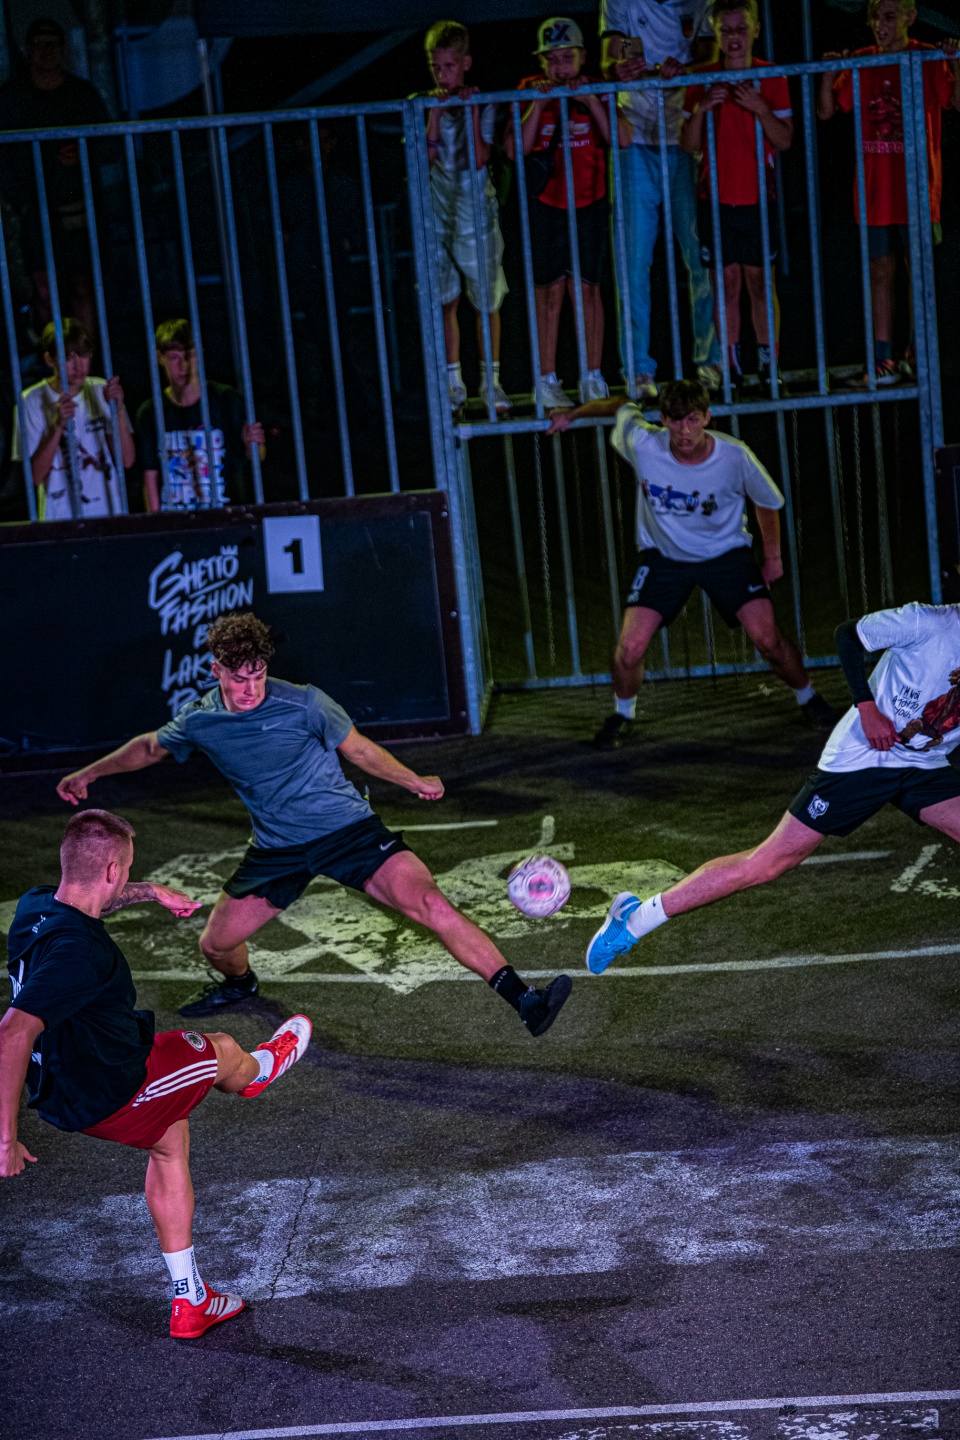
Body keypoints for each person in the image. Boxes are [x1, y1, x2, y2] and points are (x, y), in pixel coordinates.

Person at [55, 612, 572, 1034]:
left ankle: (524, 999)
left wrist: (412, 780)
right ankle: (241, 985)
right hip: (277, 850)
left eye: (258, 675)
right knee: (215, 945)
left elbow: (360, 750)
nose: (251, 688)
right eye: (239, 678)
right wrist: (90, 772)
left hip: (348, 832)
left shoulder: (305, 702)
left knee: (430, 903)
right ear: (216, 671)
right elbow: (150, 747)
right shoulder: (201, 721)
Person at [0, 808, 312, 1338]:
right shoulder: (81, 954)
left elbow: (95, 898)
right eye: (127, 870)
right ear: (112, 870)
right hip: (117, 1088)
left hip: (59, 1087)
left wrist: (149, 891)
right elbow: (11, 1033)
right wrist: (5, 1139)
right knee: (219, 1048)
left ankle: (191, 1300)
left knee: (169, 1142)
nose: (126, 877)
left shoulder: (36, 905)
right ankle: (258, 1070)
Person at [585, 600, 960, 973]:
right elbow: (848, 634)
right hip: (865, 757)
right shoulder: (927, 622)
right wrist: (867, 707)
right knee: (767, 863)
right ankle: (634, 921)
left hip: (924, 762)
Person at [549, 377, 837, 747]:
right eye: (676, 420)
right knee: (629, 649)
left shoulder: (734, 455)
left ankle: (808, 698)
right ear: (663, 420)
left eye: (692, 420)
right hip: (665, 557)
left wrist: (773, 558)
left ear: (707, 417)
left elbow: (767, 501)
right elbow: (620, 404)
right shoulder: (643, 443)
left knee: (768, 641)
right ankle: (622, 714)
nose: (685, 430)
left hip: (726, 555)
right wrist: (572, 415)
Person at [817, 0, 959, 387]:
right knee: (880, 271)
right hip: (875, 189)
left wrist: (955, 63)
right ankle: (883, 359)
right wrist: (828, 76)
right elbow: (827, 110)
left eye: (889, 17)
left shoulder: (926, 56)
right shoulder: (863, 59)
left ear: (910, 18)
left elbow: (955, 101)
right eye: (875, 17)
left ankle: (917, 352)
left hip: (918, 188)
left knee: (919, 271)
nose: (880, 25)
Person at [506, 17, 630, 410]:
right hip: (546, 203)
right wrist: (539, 104)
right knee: (549, 292)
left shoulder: (596, 87)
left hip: (590, 201)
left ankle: (592, 376)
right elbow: (513, 149)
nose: (560, 67)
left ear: (582, 56)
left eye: (567, 58)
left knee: (588, 289)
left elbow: (621, 138)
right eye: (552, 59)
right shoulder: (529, 89)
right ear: (541, 62)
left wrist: (591, 100)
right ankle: (546, 379)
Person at [599, 0, 721, 400]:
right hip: (635, 133)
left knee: (702, 256)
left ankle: (712, 361)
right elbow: (607, 58)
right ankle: (638, 370)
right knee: (633, 262)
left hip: (685, 132)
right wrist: (616, 70)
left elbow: (713, 55)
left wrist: (683, 70)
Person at [681, 0, 793, 396]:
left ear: (756, 30)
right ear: (715, 32)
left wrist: (760, 108)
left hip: (760, 197)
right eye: (726, 30)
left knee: (760, 284)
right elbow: (688, 144)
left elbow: (784, 139)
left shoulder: (771, 76)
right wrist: (701, 110)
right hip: (714, 199)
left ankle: (769, 365)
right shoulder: (702, 79)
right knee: (725, 284)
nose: (733, 38)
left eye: (740, 29)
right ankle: (730, 367)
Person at [417, 20, 511, 413]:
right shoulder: (423, 102)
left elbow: (480, 156)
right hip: (438, 209)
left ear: (466, 63)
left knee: (486, 301)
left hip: (475, 210)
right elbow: (423, 159)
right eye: (436, 67)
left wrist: (469, 112)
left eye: (449, 66)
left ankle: (491, 382)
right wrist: (436, 114)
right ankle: (453, 383)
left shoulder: (483, 101)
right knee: (446, 299)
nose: (442, 75)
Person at [0, 18, 111, 337]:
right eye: (39, 44)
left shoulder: (81, 94)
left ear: (63, 50)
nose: (47, 51)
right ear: (27, 50)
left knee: (82, 288)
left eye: (53, 44)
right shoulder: (10, 99)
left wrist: (83, 153)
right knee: (44, 292)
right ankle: (54, 361)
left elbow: (111, 145)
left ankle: (85, 360)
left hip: (78, 209)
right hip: (32, 211)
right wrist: (20, 202)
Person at [11, 317, 134, 520]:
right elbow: (34, 477)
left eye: (84, 355)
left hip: (110, 516)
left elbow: (127, 460)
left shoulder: (102, 390)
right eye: (68, 357)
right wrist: (57, 427)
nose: (78, 366)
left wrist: (119, 409)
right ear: (50, 359)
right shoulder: (29, 401)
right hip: (59, 520)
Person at [136, 320, 265, 512]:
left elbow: (258, 456)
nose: (183, 366)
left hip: (226, 515)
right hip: (175, 518)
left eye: (189, 356)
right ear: (159, 358)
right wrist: (156, 524)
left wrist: (253, 445)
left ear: (200, 353)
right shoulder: (150, 412)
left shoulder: (226, 399)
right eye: (174, 357)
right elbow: (150, 477)